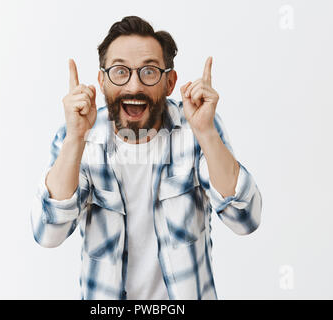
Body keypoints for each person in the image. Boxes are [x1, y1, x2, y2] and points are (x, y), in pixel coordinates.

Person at [31, 16, 262, 300]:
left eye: (149, 72)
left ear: (169, 82)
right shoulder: (79, 137)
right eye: (120, 71)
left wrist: (206, 132)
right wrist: (75, 139)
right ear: (102, 81)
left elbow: (245, 219)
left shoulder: (197, 130)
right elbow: (48, 234)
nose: (133, 86)